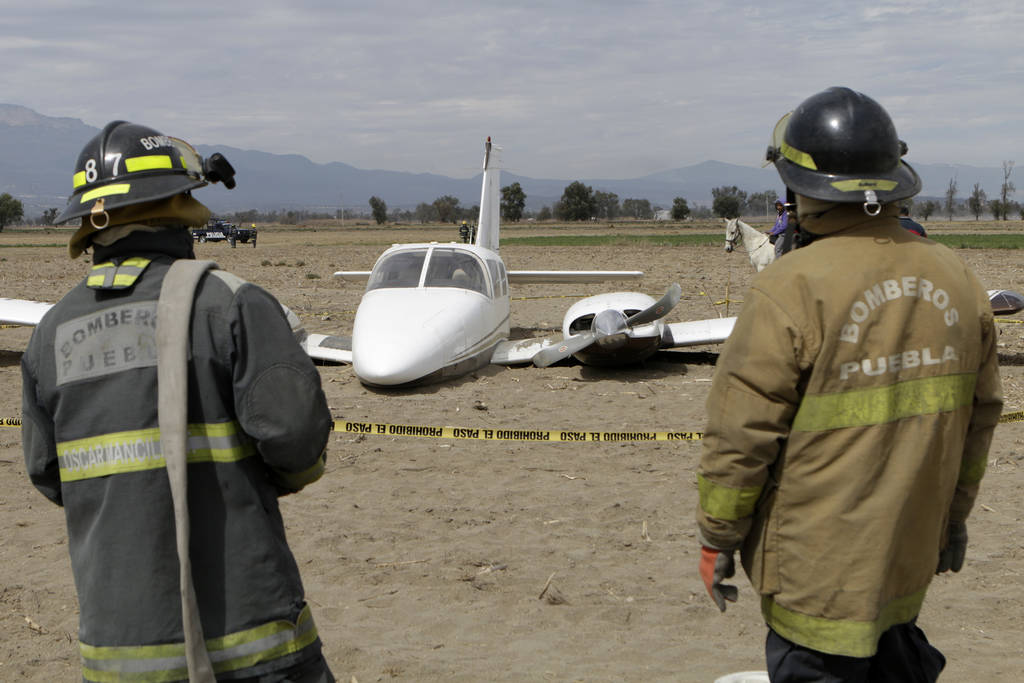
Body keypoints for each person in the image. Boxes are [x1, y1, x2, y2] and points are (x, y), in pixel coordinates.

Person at [695, 87, 1002, 681]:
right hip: (907, 562)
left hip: (815, 583)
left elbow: (739, 438)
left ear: (799, 187)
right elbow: (979, 420)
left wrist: (717, 538)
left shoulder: (789, 288)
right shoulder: (958, 280)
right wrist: (954, 518)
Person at [21, 121, 335, 682]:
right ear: (179, 204)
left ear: (90, 222)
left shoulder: (50, 334)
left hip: (117, 653)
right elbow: (296, 441)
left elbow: (48, 475)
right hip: (250, 644)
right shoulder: (232, 304)